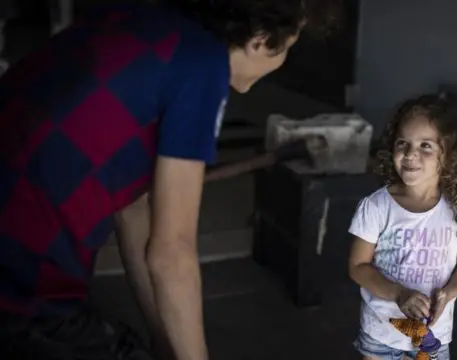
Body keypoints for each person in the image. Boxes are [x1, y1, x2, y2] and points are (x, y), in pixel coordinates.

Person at [0, 0, 340, 359]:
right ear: (259, 40)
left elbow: (132, 209)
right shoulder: (202, 66)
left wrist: (166, 343)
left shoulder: (142, 17)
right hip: (19, 292)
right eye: (286, 47)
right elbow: (172, 254)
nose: (281, 60)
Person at [347, 95, 457, 360]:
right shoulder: (377, 207)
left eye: (425, 145)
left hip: (433, 337)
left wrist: (449, 292)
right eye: (403, 143)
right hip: (381, 334)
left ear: (448, 157)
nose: (410, 154)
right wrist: (398, 293)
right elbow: (357, 267)